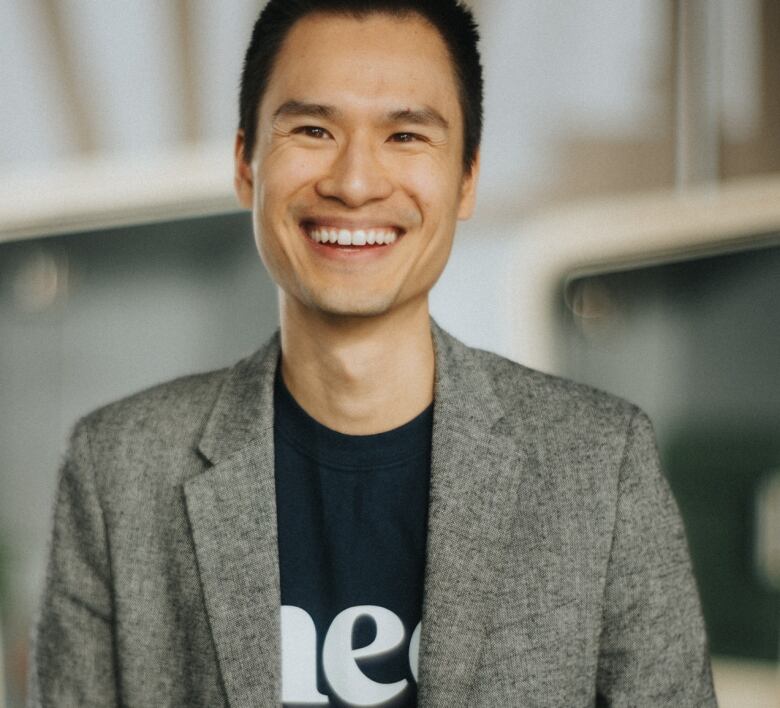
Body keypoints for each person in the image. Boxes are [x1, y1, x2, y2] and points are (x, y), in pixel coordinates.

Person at [29, 1, 717, 706]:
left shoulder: (600, 465)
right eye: (313, 129)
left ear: (467, 178)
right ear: (245, 163)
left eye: (406, 136)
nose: (355, 183)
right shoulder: (117, 468)